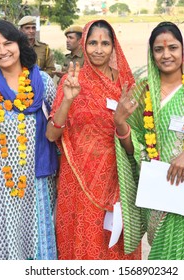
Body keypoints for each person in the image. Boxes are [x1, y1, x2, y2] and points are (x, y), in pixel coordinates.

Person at [113, 21, 184, 260]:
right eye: (159, 49)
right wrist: (120, 123)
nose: (166, 55)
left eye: (173, 48)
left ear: (183, 50)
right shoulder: (143, 92)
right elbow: (134, 149)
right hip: (156, 189)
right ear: (151, 53)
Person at [46, 19, 141, 260]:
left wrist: (121, 123)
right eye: (92, 43)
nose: (98, 49)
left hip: (118, 177)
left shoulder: (125, 84)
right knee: (83, 240)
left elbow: (136, 146)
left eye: (105, 43)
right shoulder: (73, 81)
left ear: (114, 47)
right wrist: (68, 99)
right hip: (78, 179)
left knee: (114, 245)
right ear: (83, 45)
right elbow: (51, 134)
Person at [0, 20, 58, 260]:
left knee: (32, 242)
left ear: (19, 44)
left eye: (8, 43)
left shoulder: (44, 83)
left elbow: (57, 130)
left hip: (35, 180)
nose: (3, 50)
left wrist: (68, 100)